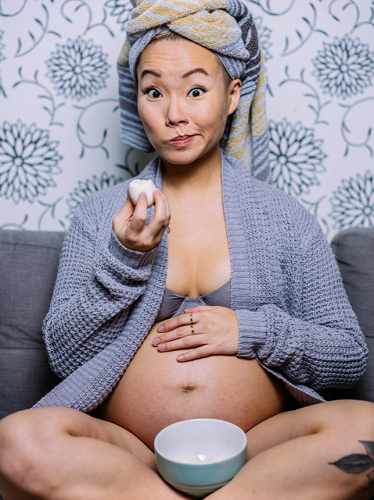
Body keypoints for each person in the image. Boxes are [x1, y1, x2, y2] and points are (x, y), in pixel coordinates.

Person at [0, 0, 373, 499]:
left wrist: (249, 329)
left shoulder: (285, 218)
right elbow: (66, 355)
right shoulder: (100, 215)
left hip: (259, 450)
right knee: (16, 441)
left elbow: (348, 356)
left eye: (196, 90)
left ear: (233, 93)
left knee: (368, 433)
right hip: (131, 452)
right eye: (154, 92)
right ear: (137, 100)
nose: (175, 114)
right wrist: (125, 259)